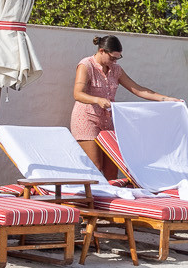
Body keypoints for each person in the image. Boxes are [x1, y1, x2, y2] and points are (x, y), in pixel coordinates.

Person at [72, 35, 177, 176]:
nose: (114, 61)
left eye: (117, 58)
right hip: (87, 120)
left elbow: (137, 89)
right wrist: (97, 100)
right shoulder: (86, 65)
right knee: (95, 165)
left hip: (108, 121)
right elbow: (77, 94)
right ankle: (93, 197)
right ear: (102, 51)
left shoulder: (115, 69)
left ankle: (111, 197)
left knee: (112, 167)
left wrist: (165, 99)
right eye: (113, 58)